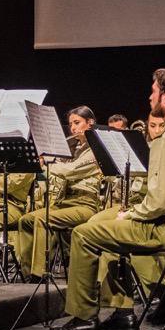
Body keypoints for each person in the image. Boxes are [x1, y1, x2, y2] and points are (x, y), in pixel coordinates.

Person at [49, 69, 165, 330]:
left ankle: (83, 315)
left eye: (154, 91)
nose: (150, 97)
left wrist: (132, 214)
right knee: (111, 234)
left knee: (83, 234)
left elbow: (157, 204)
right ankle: (122, 311)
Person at [15, 107, 101, 279]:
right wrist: (45, 157)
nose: (73, 128)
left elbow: (69, 171)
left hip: (84, 204)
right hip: (63, 203)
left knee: (42, 219)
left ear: (90, 123)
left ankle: (39, 274)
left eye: (77, 123)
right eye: (71, 124)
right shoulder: (73, 148)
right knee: (25, 220)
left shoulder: (96, 149)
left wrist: (44, 164)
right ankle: (25, 272)